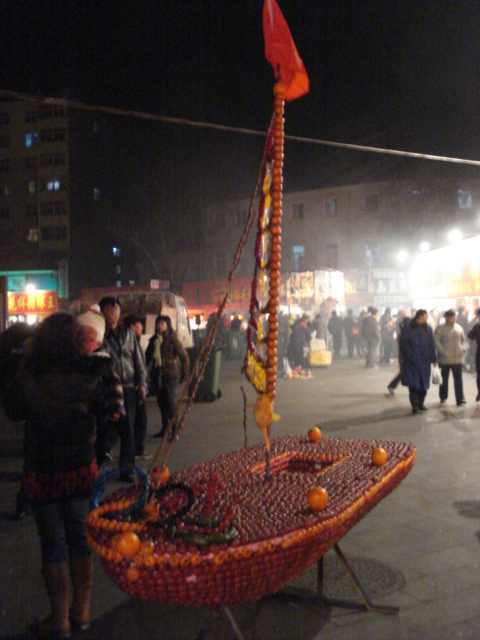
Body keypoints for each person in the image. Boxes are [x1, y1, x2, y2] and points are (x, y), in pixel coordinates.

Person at [3, 312, 123, 638]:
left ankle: (60, 618)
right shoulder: (91, 370)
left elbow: (13, 409)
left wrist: (22, 364)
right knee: (80, 537)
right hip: (81, 467)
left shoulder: (32, 374)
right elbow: (109, 415)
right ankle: (81, 611)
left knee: (52, 543)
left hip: (43, 470)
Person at [99, 296, 147, 483]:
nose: (113, 311)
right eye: (109, 308)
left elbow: (138, 361)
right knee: (103, 431)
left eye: (116, 308)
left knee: (128, 432)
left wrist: (142, 383)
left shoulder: (128, 333)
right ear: (103, 311)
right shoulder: (100, 333)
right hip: (108, 389)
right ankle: (93, 468)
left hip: (128, 388)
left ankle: (127, 470)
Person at [146, 315, 189, 441]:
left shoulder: (172, 339)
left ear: (167, 325)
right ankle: (165, 428)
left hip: (170, 374)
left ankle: (175, 429)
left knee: (171, 403)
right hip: (158, 375)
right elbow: (147, 357)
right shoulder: (154, 340)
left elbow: (184, 357)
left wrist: (185, 374)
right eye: (158, 323)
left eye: (162, 323)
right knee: (161, 403)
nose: (159, 326)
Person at [399, 309, 437, 414]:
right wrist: (409, 355)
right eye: (425, 316)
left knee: (424, 385)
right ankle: (414, 405)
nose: (427, 318)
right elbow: (403, 343)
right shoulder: (408, 328)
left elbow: (432, 344)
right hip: (412, 362)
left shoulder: (428, 328)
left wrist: (434, 359)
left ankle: (421, 403)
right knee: (414, 385)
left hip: (425, 361)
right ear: (420, 316)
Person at [124, 313, 150, 460]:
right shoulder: (129, 342)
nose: (141, 326)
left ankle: (136, 449)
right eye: (139, 324)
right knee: (139, 420)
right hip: (134, 387)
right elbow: (137, 366)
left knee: (136, 420)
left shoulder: (134, 341)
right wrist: (140, 384)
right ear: (132, 327)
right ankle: (136, 450)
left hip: (137, 385)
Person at [434, 309, 466, 406]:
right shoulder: (440, 328)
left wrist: (463, 349)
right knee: (444, 379)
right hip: (444, 359)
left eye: (455, 317)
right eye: (452, 317)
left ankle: (460, 399)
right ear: (447, 317)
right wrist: (442, 351)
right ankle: (443, 397)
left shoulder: (459, 328)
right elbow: (436, 341)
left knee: (458, 380)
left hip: (458, 359)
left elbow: (463, 340)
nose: (454, 319)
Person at [467, 308, 480, 401]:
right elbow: (470, 335)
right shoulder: (477, 326)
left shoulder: (477, 326)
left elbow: (470, 335)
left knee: (479, 374)